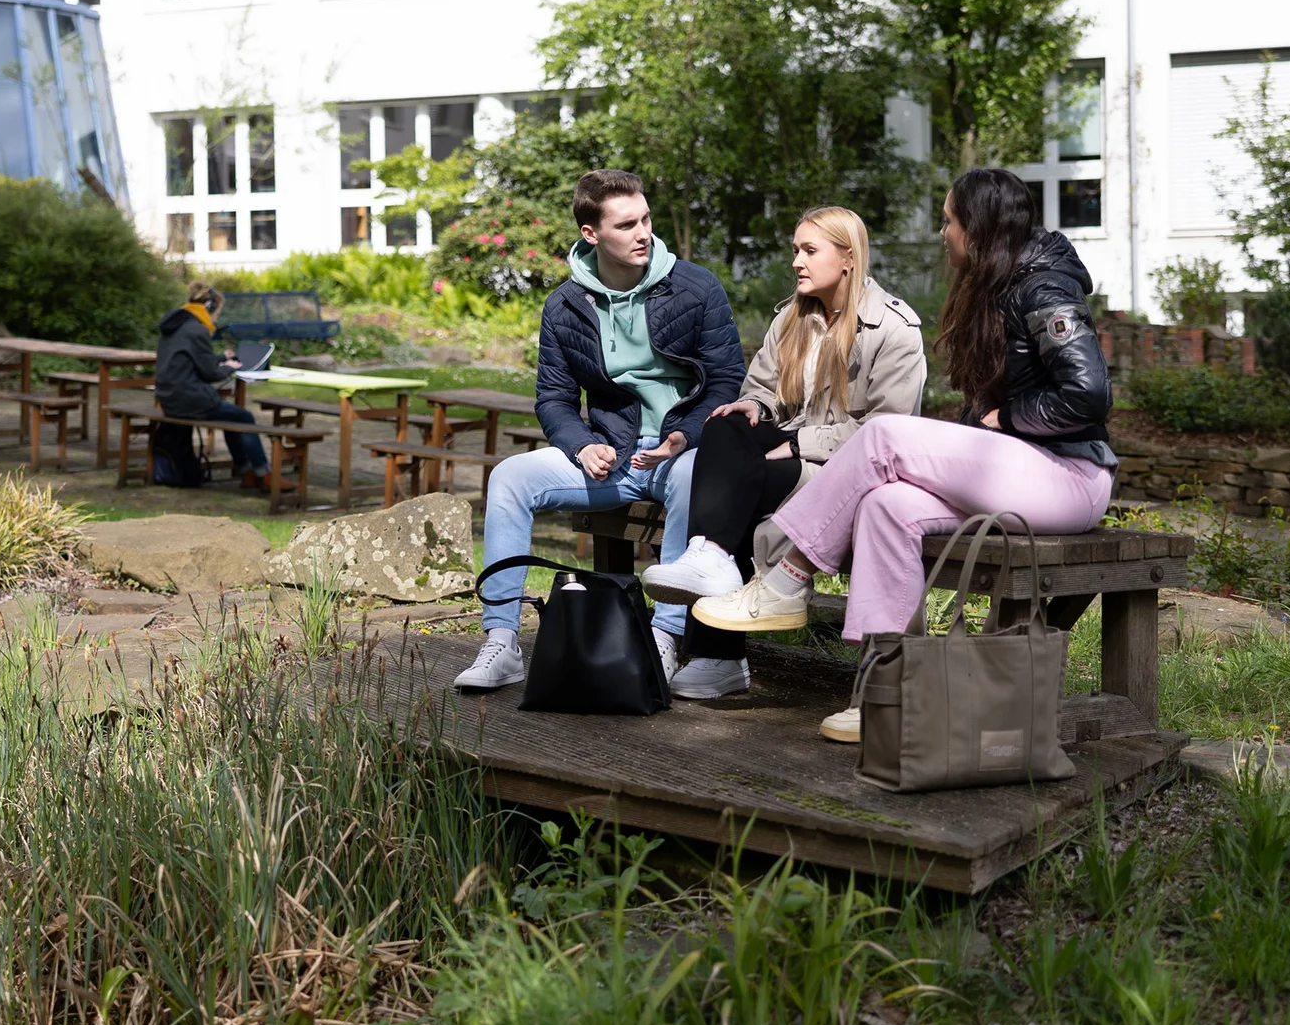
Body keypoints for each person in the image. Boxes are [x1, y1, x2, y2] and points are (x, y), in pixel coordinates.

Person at [690, 169, 1117, 743]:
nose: (943, 232)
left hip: (1069, 476)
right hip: (1016, 470)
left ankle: (787, 576)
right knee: (886, 506)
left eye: (949, 220)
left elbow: (1088, 395)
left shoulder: (1044, 288)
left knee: (885, 436)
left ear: (980, 227)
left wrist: (1005, 420)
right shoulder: (998, 285)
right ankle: (886, 692)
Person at [455, 169, 746, 692]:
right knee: (509, 477)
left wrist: (684, 436)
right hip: (612, 454)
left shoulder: (695, 287)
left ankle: (664, 636)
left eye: (646, 219)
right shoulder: (565, 304)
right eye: (627, 224)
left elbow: (727, 383)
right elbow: (554, 399)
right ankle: (501, 641)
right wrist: (581, 444)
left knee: (696, 477)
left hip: (682, 452)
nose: (643, 234)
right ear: (592, 234)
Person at [640, 206, 926, 699]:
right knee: (728, 424)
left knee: (737, 493)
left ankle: (718, 654)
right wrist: (753, 407)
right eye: (796, 249)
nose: (797, 261)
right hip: (789, 457)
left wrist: (797, 443)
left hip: (845, 473)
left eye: (810, 251)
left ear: (849, 257)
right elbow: (762, 391)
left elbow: (887, 432)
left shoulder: (893, 329)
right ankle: (709, 559)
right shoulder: (794, 317)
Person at [154, 281, 269, 489]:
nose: (216, 319)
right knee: (244, 417)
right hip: (189, 400)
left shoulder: (176, 324)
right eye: (217, 313)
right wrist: (230, 367)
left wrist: (220, 358)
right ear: (208, 307)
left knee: (232, 416)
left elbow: (192, 359)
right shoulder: (197, 329)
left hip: (168, 397)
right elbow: (210, 374)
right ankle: (263, 474)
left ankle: (246, 470)